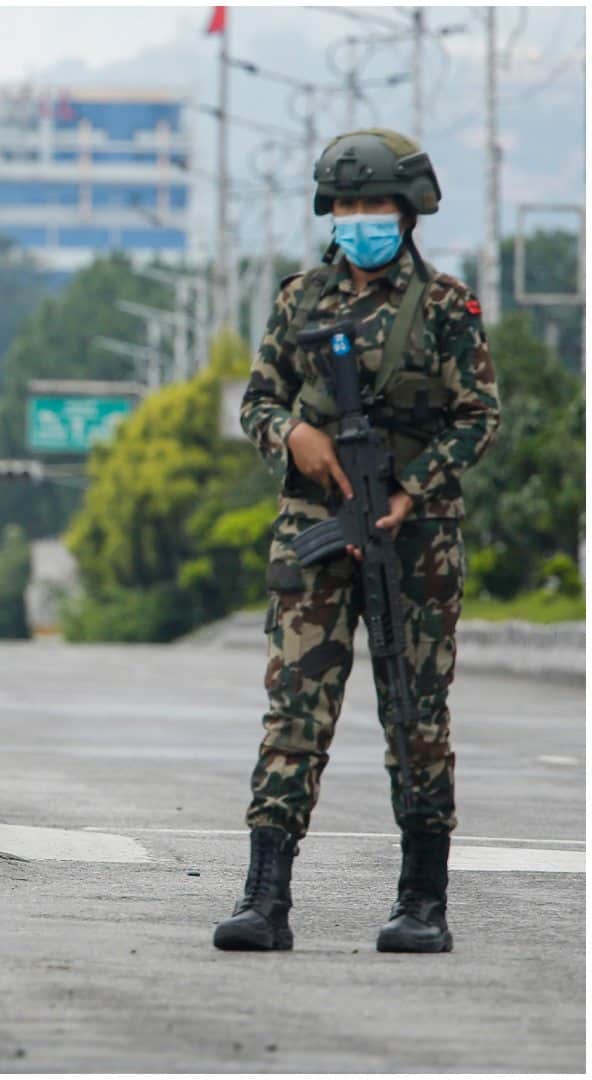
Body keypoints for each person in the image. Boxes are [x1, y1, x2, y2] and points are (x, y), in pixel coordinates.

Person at [218, 129, 499, 955]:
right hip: (316, 529)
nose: (359, 218)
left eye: (374, 204)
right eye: (345, 205)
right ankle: (265, 897)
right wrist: (292, 438)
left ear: (408, 212)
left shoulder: (447, 307)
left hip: (415, 543)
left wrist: (416, 490)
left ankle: (423, 899)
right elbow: (258, 400)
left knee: (415, 716)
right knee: (294, 715)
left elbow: (478, 417)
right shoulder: (301, 299)